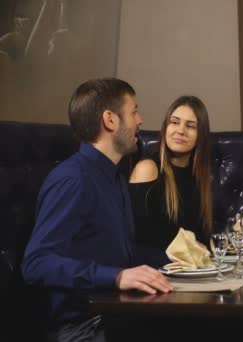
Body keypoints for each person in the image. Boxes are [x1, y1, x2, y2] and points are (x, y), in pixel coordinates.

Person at [21, 78, 174, 342]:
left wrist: (175, 262)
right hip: (83, 327)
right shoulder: (73, 180)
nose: (140, 120)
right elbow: (36, 263)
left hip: (117, 315)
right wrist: (116, 277)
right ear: (110, 120)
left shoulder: (114, 177)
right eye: (134, 111)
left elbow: (118, 251)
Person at [129, 95, 213, 250]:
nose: (180, 131)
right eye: (174, 122)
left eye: (191, 126)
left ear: (200, 136)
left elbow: (204, 236)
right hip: (158, 269)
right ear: (165, 128)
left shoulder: (199, 177)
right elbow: (140, 239)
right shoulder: (147, 168)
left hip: (194, 269)